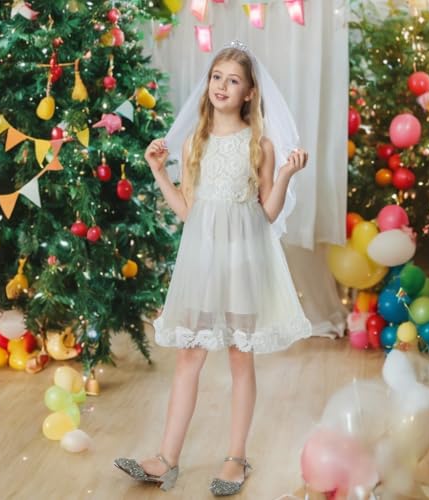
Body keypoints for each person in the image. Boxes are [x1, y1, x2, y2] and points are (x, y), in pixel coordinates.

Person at [114, 40, 312, 497]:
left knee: (241, 356)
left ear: (249, 93)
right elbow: (189, 211)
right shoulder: (194, 143)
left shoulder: (260, 145)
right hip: (202, 263)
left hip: (243, 262)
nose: (222, 85)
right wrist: (159, 172)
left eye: (233, 80)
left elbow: (267, 213)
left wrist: (284, 176)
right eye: (216, 77)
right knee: (189, 355)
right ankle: (166, 459)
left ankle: (236, 457)